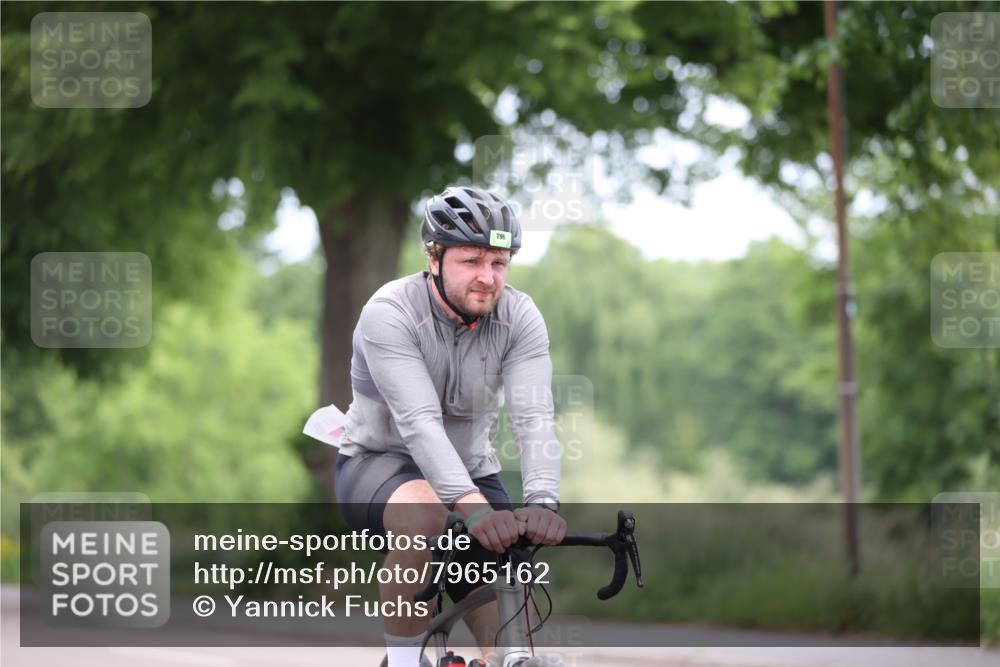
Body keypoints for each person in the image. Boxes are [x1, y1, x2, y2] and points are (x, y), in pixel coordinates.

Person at [332, 185, 567, 667]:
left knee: (512, 634)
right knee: (424, 516)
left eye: (498, 263)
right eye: (471, 261)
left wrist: (543, 501)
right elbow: (418, 424)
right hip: (381, 464)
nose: (488, 277)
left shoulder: (519, 317)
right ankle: (403, 663)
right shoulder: (390, 312)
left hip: (470, 471)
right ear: (434, 257)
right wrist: (477, 513)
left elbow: (534, 418)